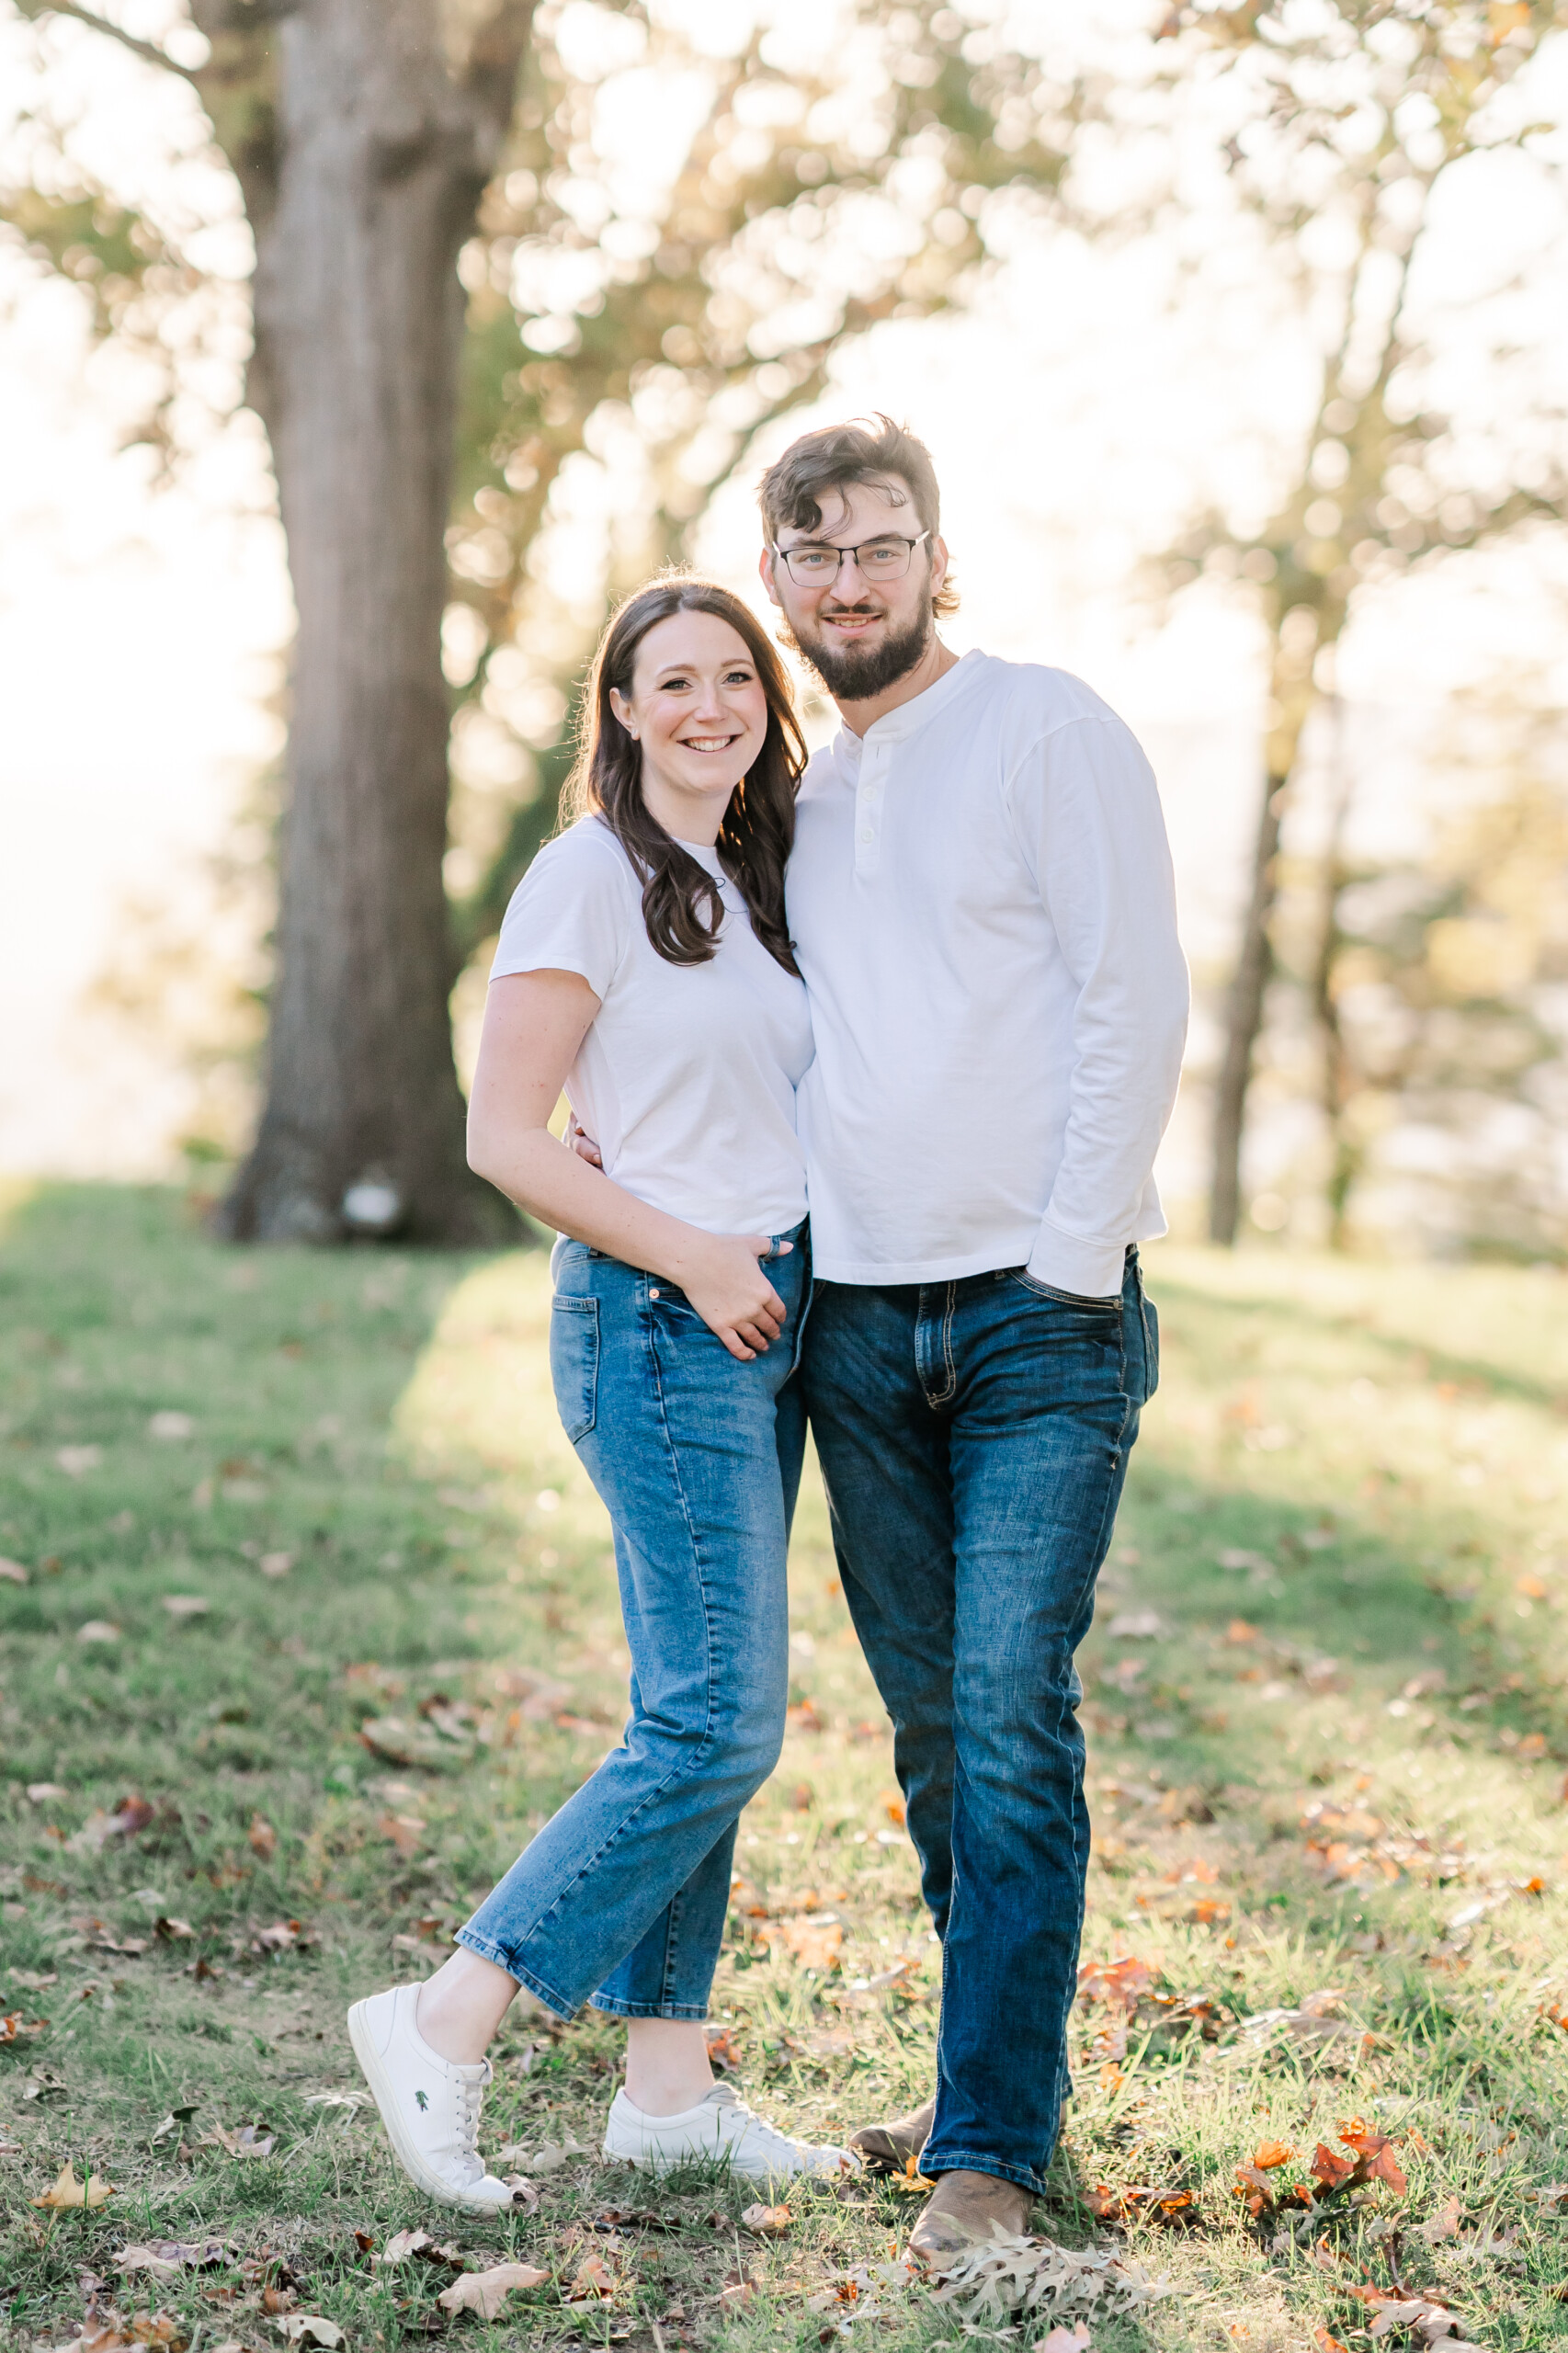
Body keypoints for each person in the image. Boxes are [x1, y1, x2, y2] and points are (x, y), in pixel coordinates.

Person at [347, 576, 858, 2208]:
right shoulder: (585, 877)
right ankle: (448, 2015)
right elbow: (503, 1136)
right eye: (672, 683)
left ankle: (665, 2093)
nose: (708, 706)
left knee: (691, 1708)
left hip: (758, 1324)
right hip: (659, 1321)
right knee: (714, 1721)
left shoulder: (745, 875)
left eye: (733, 678)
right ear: (621, 713)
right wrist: (698, 1257)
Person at [760, 416, 1190, 2265]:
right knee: (936, 1735)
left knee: (1012, 1715)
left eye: (877, 544)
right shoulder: (802, 788)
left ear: (936, 555)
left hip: (1035, 1320)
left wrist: (1073, 1265)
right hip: (853, 1320)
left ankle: (991, 2151)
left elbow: (1134, 991)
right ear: (776, 579)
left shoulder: (1044, 727)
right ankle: (977, 2085)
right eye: (813, 555)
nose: (847, 581)